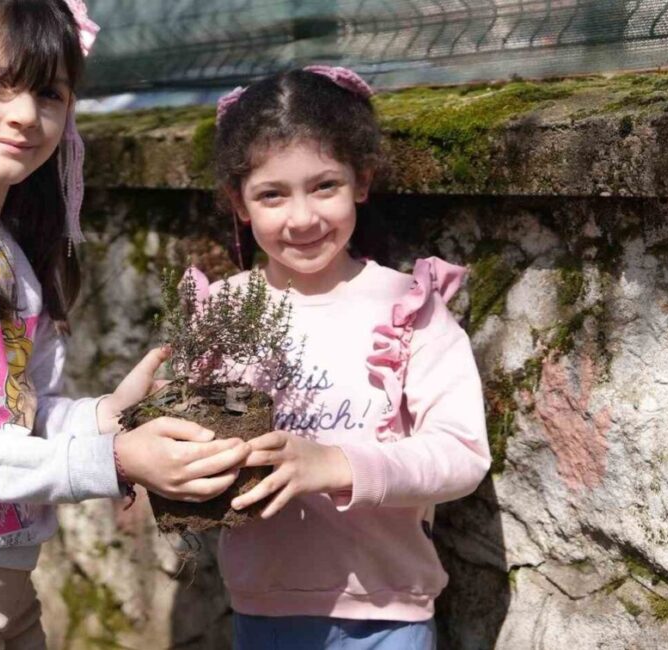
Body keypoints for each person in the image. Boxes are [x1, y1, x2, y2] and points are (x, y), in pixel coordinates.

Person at [0, 1, 249, 647]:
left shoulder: (3, 249)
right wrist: (115, 462)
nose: (26, 114)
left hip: (1, 583)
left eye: (49, 92)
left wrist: (105, 417)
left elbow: (13, 414)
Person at [208, 66, 491, 649]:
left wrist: (337, 465)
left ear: (361, 181)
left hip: (389, 617)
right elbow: (186, 438)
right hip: (263, 611)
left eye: (324, 186)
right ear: (240, 202)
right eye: (272, 194)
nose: (303, 217)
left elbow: (463, 453)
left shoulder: (410, 310)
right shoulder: (220, 313)